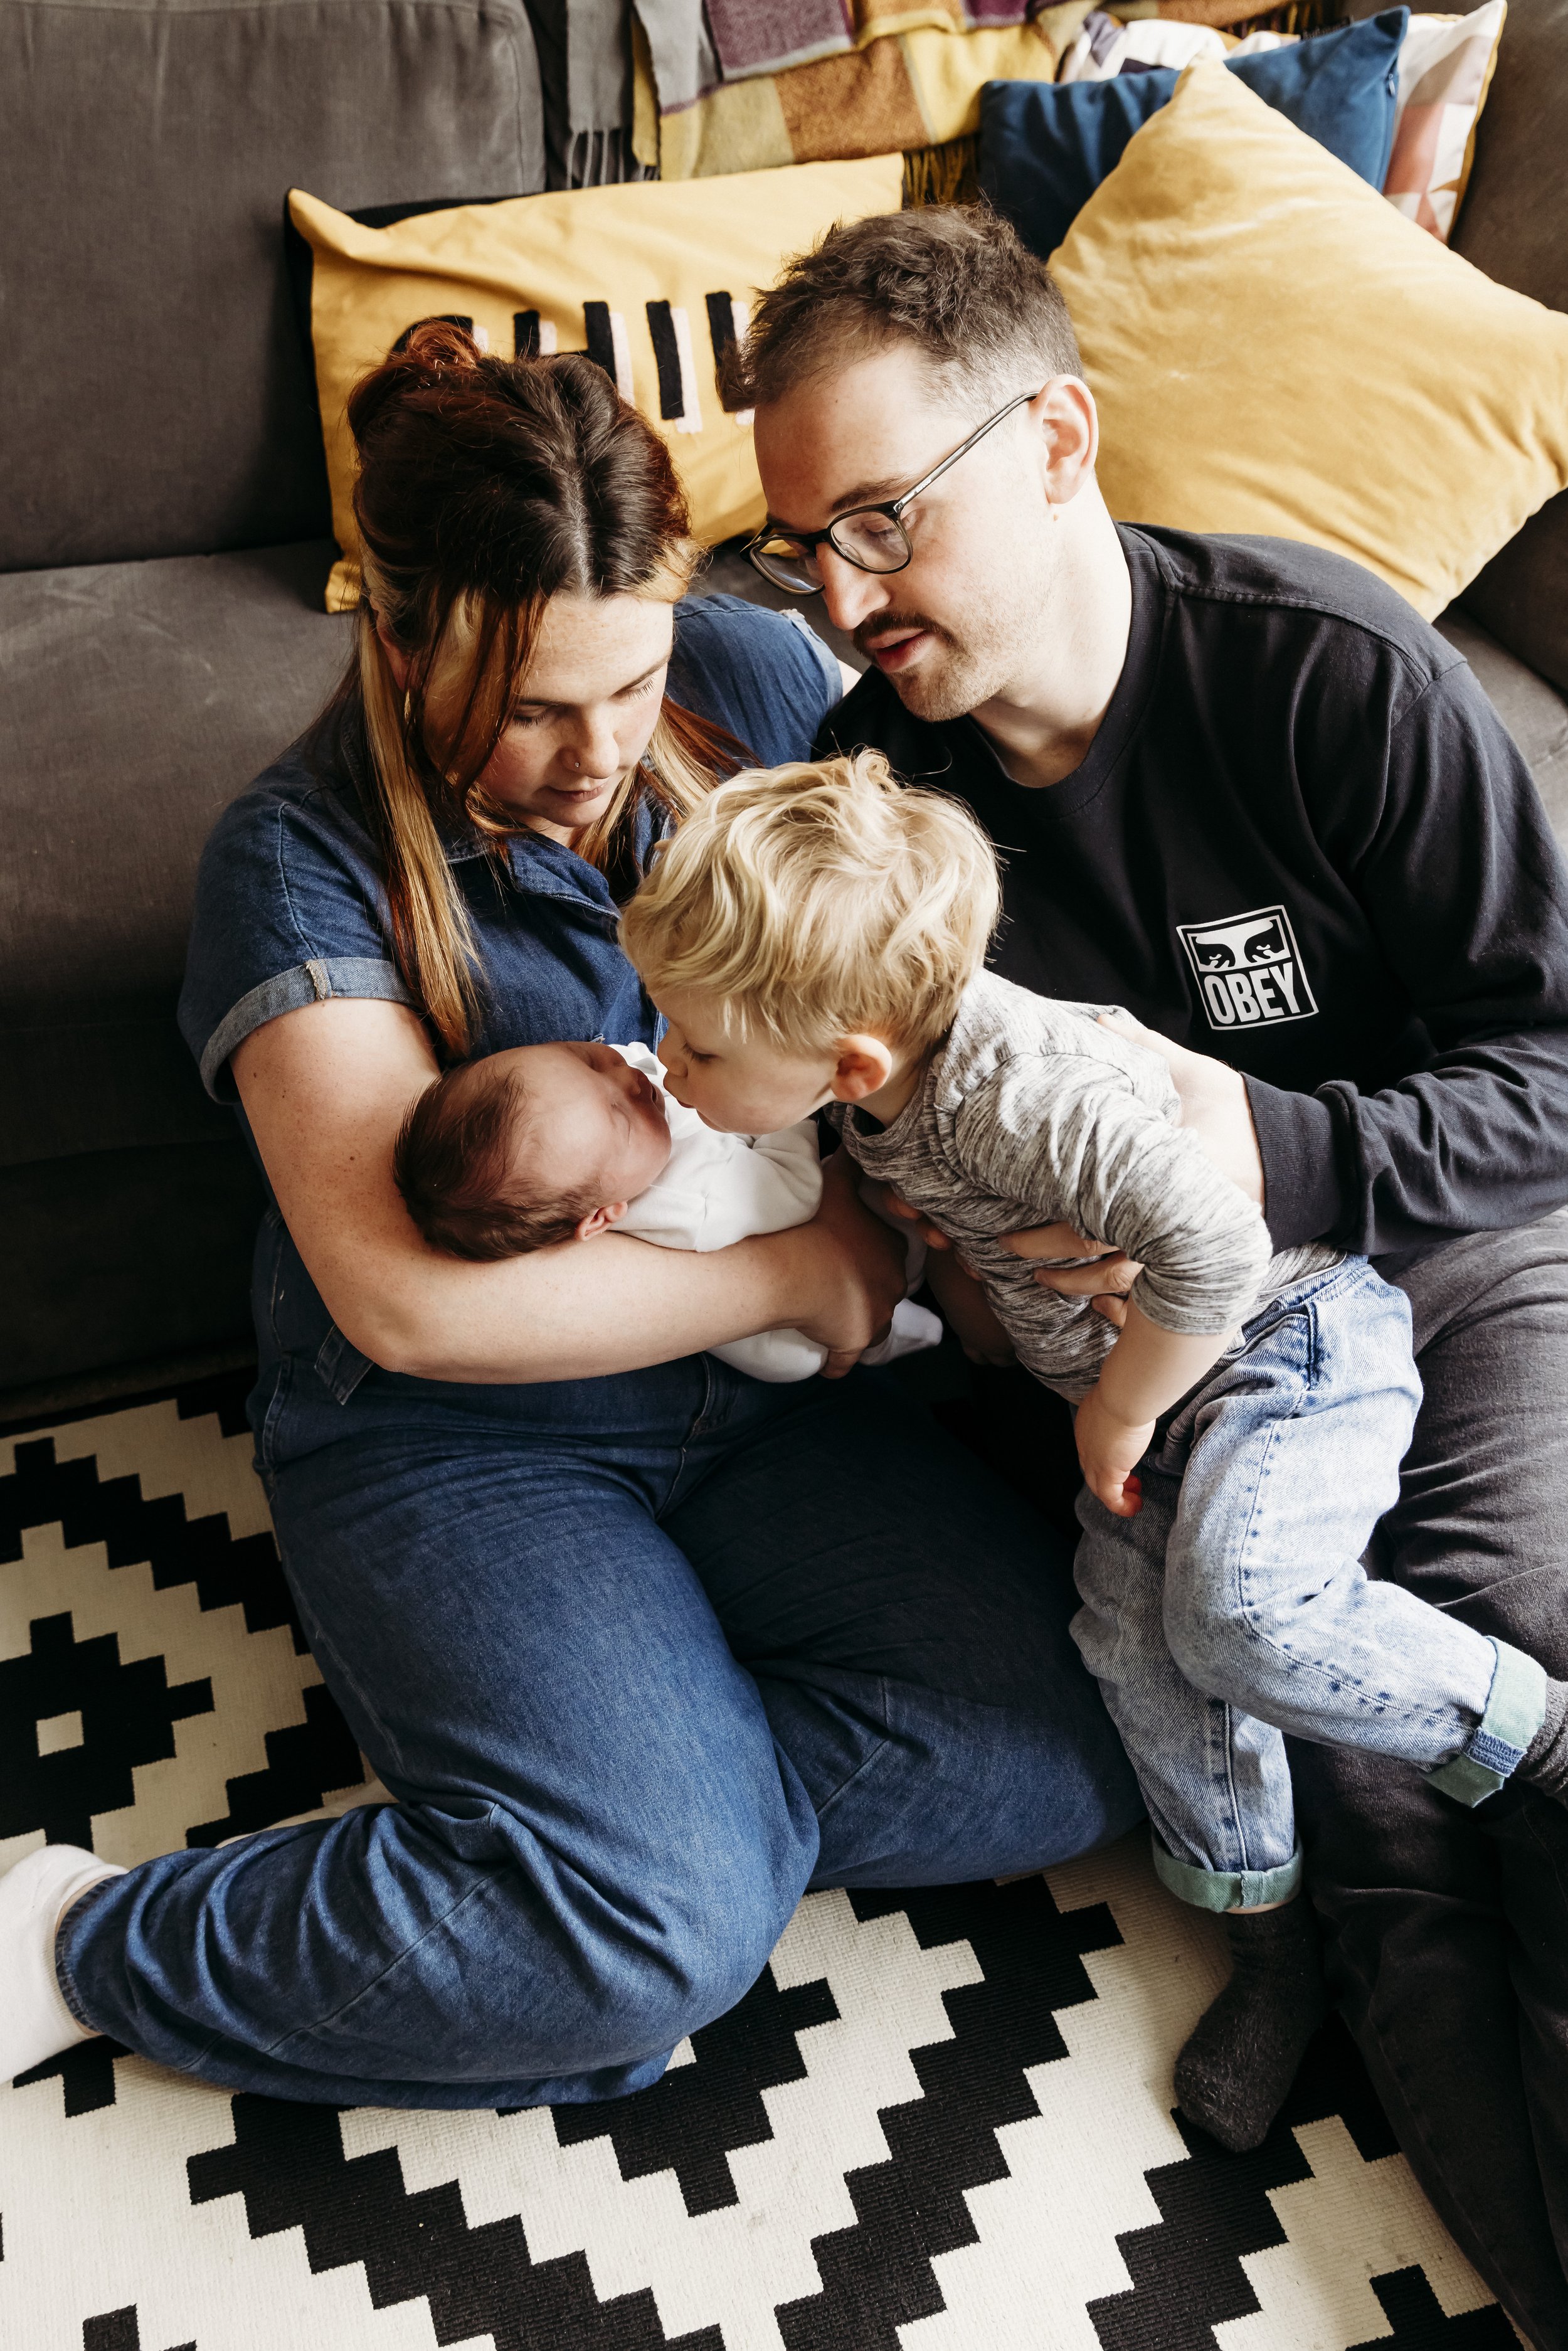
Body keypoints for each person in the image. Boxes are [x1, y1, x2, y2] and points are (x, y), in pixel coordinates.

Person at [0, 319, 1148, 2101]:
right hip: (462, 1442)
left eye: (628, 679)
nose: (598, 750)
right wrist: (810, 1261)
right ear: (394, 636)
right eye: (534, 703)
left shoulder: (760, 686)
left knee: (1070, 1751)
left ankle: (614, 1860)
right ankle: (82, 1934)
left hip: (760, 1410)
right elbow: (411, 1306)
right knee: (654, 1941)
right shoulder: (294, 864)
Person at [736, 204, 1568, 2343]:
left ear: (1060, 438)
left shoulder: (1330, 678)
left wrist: (1282, 1140)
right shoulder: (879, 808)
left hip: (1440, 1254)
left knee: (1498, 1663)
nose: (841, 596)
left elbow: (1556, 1068)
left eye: (883, 520)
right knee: (1361, 1811)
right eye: (798, 546)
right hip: (1155, 1366)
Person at [618, 746, 1568, 2156]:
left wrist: (1117, 1408)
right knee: (1134, 1652)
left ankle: (1533, 1736)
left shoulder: (1021, 1091)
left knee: (1236, 1614)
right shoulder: (868, 1093)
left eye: (694, 1045)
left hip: (1282, 1340)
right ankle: (1270, 1944)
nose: (671, 1067)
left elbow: (1221, 1243)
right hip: (1144, 1392)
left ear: (850, 1056)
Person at [390, 1034, 940, 1380]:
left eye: (585, 1058)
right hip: (792, 1331)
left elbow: (629, 1067)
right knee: (860, 1312)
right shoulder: (694, 1199)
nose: (627, 1076)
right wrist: (786, 1118)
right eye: (621, 1115)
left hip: (798, 1252)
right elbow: (796, 1193)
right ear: (607, 1212)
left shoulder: (597, 1132)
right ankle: (910, 1332)